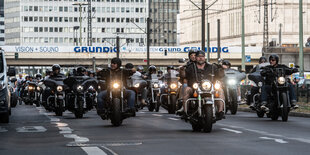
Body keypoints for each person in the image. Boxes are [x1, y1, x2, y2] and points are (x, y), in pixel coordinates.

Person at [178, 50, 225, 120]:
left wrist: (221, 69)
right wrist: (181, 70)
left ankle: (220, 111)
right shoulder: (190, 67)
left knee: (220, 90)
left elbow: (220, 75)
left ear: (204, 57)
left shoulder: (211, 67)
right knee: (187, 89)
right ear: (196, 58)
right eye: (199, 56)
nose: (201, 58)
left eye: (202, 56)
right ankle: (185, 111)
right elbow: (184, 76)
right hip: (194, 88)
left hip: (209, 88)